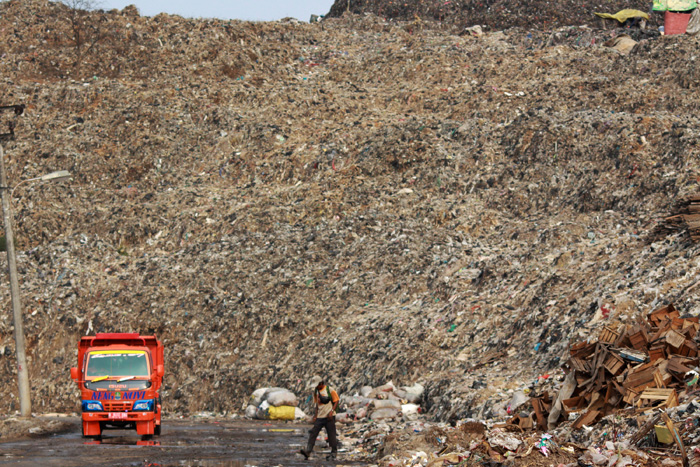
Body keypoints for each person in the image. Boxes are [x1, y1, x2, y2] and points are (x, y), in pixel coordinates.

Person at [299, 376, 339, 460]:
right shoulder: (316, 392)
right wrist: (315, 415)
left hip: (329, 416)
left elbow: (336, 400)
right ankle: (308, 451)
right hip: (320, 417)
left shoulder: (329, 389)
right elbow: (317, 405)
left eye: (318, 385)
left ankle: (334, 453)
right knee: (313, 433)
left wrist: (331, 411)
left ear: (321, 383)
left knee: (331, 434)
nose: (317, 387)